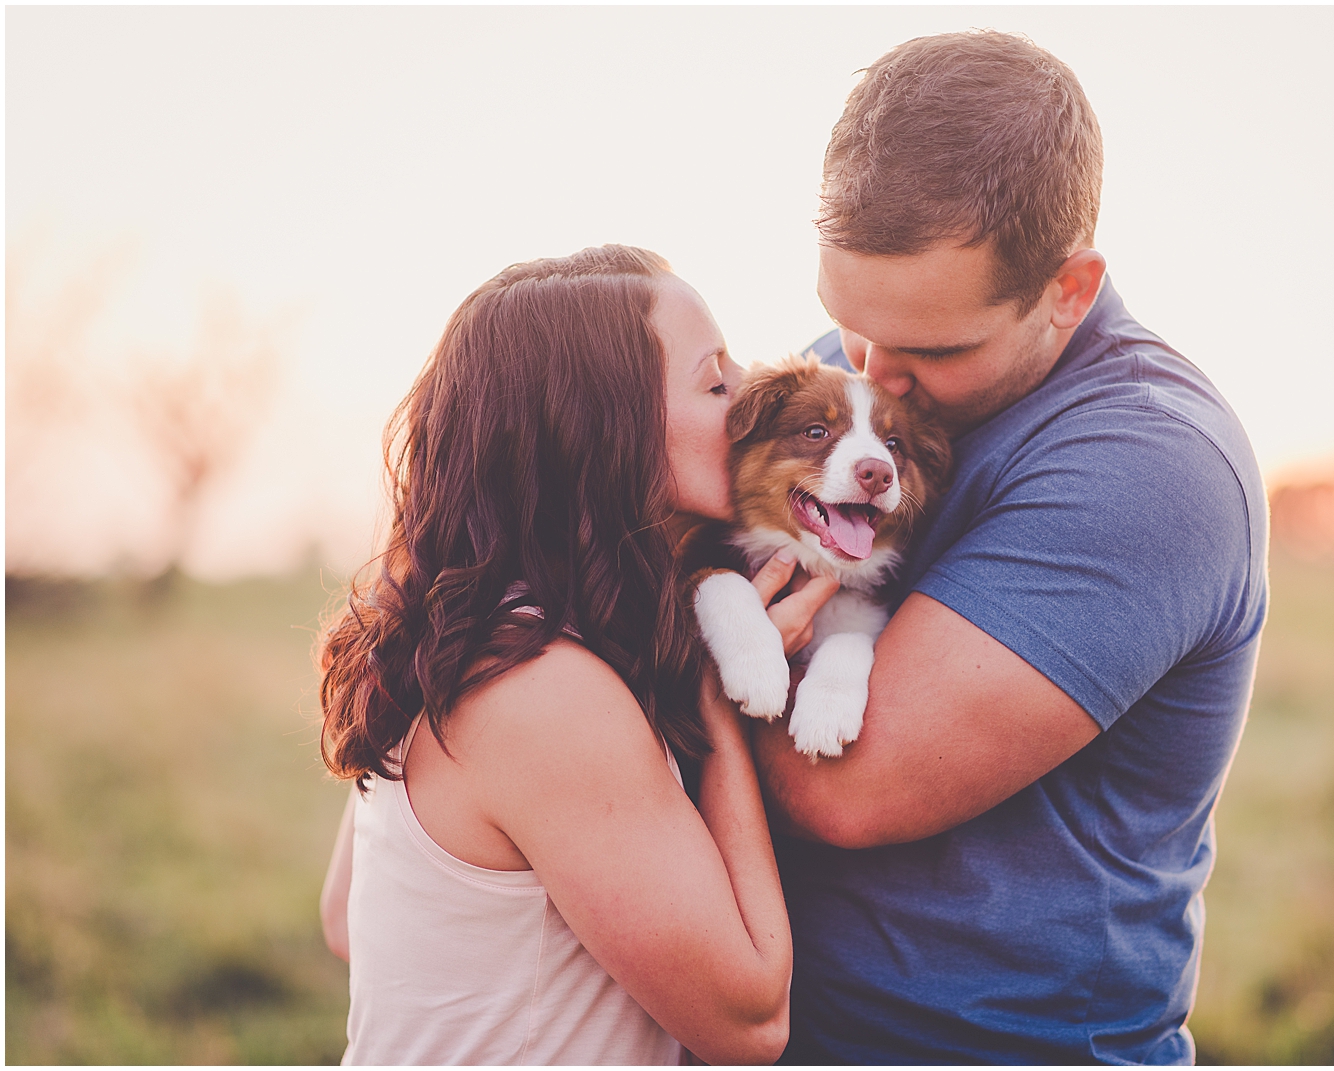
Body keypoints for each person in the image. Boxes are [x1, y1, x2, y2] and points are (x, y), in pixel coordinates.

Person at [750, 31, 1269, 1064]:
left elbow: (841, 787)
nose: (869, 377)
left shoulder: (1149, 465)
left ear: (1069, 292)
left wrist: (628, 695)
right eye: (847, 324)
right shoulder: (844, 375)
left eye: (934, 349)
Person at [316, 246, 839, 1065]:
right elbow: (751, 1020)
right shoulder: (542, 689)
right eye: (713, 380)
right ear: (605, 432)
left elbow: (346, 915)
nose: (750, 392)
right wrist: (718, 688)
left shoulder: (454, 630)